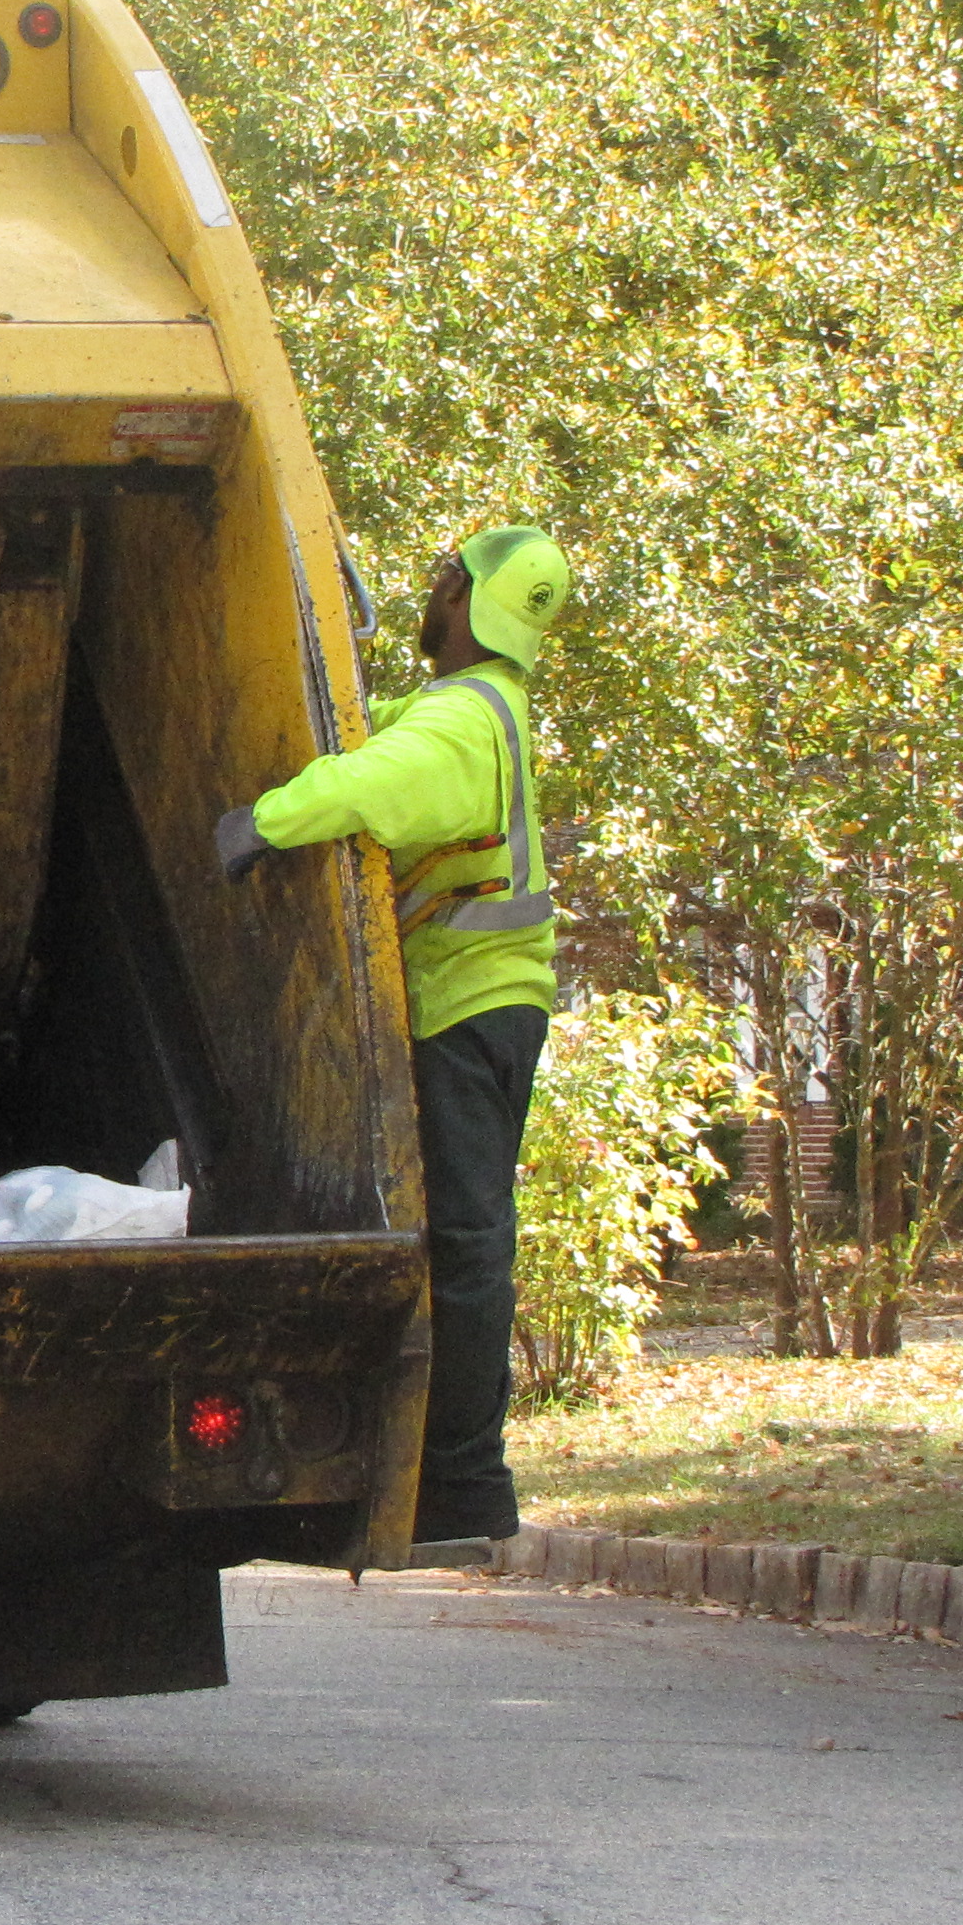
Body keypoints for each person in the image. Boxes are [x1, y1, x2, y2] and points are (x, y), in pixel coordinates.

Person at [213, 527, 572, 1552]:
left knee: (463, 1245)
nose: (429, 592)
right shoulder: (478, 709)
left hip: (468, 1008)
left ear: (466, 602)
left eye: (444, 581)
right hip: (482, 1007)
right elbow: (382, 749)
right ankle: (455, 1477)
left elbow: (375, 787)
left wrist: (259, 824)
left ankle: (464, 1484)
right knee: (464, 1243)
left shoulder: (465, 719)